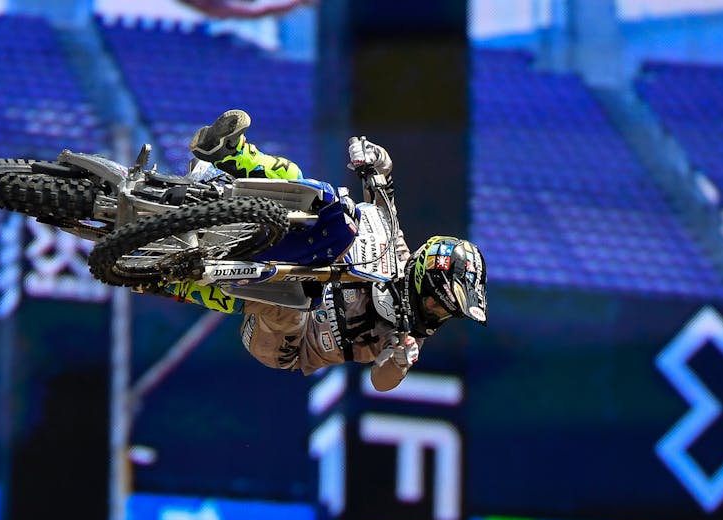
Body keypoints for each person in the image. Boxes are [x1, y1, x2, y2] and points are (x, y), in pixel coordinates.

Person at [161, 109, 488, 392]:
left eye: (444, 312)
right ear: (422, 275)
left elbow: (382, 379)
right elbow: (384, 198)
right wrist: (374, 161)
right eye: (437, 304)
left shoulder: (403, 336)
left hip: (289, 343)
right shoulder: (399, 256)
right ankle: (228, 154)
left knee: (288, 298)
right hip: (296, 267)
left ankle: (176, 279)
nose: (436, 314)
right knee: (302, 184)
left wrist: (400, 362)